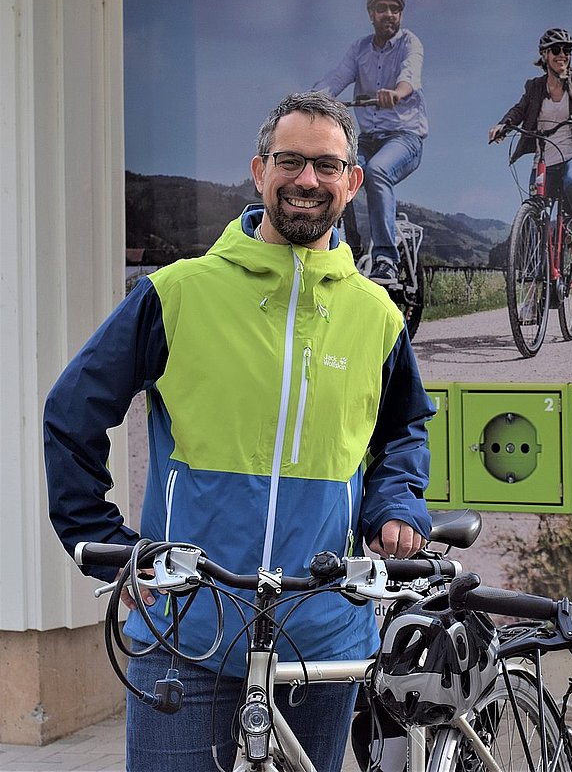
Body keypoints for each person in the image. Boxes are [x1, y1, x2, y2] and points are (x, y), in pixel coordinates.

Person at [44, 91, 434, 772]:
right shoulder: (177, 292)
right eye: (289, 161)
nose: (306, 179)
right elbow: (71, 412)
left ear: (352, 181)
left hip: (322, 633)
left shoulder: (377, 316)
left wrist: (395, 504)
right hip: (187, 628)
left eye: (324, 165)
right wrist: (102, 543)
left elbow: (402, 433)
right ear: (259, 173)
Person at [314, 0, 427, 285]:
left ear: (400, 14)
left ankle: (387, 259)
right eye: (381, 9)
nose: (388, 14)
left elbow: (410, 76)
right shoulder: (359, 49)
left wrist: (397, 93)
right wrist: (310, 101)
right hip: (368, 139)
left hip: (405, 137)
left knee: (376, 172)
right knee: (337, 172)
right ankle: (346, 249)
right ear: (371, 14)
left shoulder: (409, 43)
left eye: (394, 9)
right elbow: (336, 78)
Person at [489, 27, 572, 270]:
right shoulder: (534, 87)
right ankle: (534, 282)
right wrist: (503, 125)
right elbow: (519, 110)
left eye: (567, 50)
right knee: (534, 217)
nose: (563, 55)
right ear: (544, 55)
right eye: (556, 50)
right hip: (543, 160)